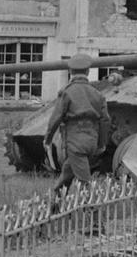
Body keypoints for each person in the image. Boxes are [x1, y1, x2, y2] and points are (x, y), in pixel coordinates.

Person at [44, 53, 110, 195]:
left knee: (84, 180)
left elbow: (56, 117)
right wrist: (101, 144)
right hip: (92, 141)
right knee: (68, 171)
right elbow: (105, 120)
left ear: (70, 72)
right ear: (88, 72)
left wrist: (48, 139)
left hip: (75, 141)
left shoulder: (67, 92)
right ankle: (56, 200)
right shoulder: (98, 94)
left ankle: (92, 210)